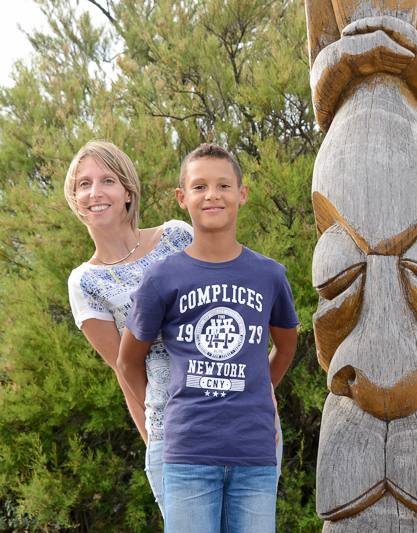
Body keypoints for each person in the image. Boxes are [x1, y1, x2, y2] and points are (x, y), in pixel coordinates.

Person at [117, 143, 299, 533]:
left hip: (255, 453)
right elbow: (128, 362)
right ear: (182, 198)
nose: (212, 195)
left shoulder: (270, 276)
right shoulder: (162, 277)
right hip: (187, 454)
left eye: (223, 185)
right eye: (199, 187)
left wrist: (255, 387)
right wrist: (170, 409)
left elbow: (285, 347)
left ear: (242, 194)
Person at [65, 140, 194, 515]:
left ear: (127, 192)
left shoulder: (176, 235)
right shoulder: (84, 283)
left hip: (230, 412)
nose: (95, 192)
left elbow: (230, 312)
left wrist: (262, 402)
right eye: (83, 184)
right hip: (172, 434)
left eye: (107, 180)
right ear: (76, 200)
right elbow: (125, 370)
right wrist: (153, 440)